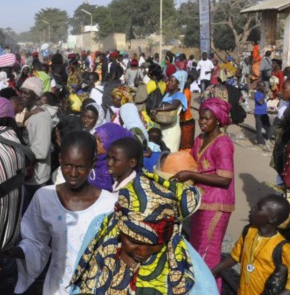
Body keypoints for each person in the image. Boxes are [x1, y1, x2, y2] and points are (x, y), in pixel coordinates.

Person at [8, 130, 118, 295]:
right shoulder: (45, 197)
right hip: (55, 288)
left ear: (93, 163)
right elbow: (35, 242)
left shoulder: (109, 205)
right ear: (59, 159)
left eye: (80, 166)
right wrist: (15, 251)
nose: (73, 173)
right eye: (67, 165)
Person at [71, 172, 217, 294]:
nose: (142, 251)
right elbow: (79, 283)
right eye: (134, 241)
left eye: (153, 244)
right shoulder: (100, 230)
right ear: (120, 227)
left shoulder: (182, 260)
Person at [172, 97, 234, 292]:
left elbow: (225, 178)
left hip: (217, 204)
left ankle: (209, 289)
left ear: (218, 120)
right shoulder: (200, 139)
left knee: (209, 254)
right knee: (197, 251)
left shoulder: (222, 143)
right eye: (201, 118)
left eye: (207, 119)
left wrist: (191, 174)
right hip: (200, 201)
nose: (202, 122)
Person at [212, 194, 290, 295]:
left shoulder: (284, 248)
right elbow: (235, 256)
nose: (252, 209)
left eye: (258, 207)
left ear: (272, 219)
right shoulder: (249, 231)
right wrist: (212, 271)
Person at [20, 77, 53, 205]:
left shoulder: (41, 118)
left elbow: (41, 152)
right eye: (21, 92)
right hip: (28, 175)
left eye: (26, 93)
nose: (22, 96)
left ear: (36, 96)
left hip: (36, 178)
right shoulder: (28, 112)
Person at [91, 123, 135, 192]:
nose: (95, 143)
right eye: (95, 138)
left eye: (100, 141)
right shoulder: (94, 156)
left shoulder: (109, 168)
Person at [151, 75, 187, 152]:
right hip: (163, 127)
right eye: (168, 81)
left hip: (172, 129)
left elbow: (173, 106)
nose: (168, 83)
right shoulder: (167, 94)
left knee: (169, 153)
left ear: (178, 83)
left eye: (172, 81)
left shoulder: (180, 95)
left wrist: (157, 109)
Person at [253, 81, 273, 146]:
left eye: (264, 86)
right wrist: (264, 94)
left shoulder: (263, 93)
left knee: (269, 127)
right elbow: (260, 103)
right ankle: (260, 142)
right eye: (262, 86)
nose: (264, 87)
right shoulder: (257, 94)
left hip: (264, 113)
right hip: (258, 113)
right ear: (259, 87)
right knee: (259, 129)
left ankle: (267, 139)